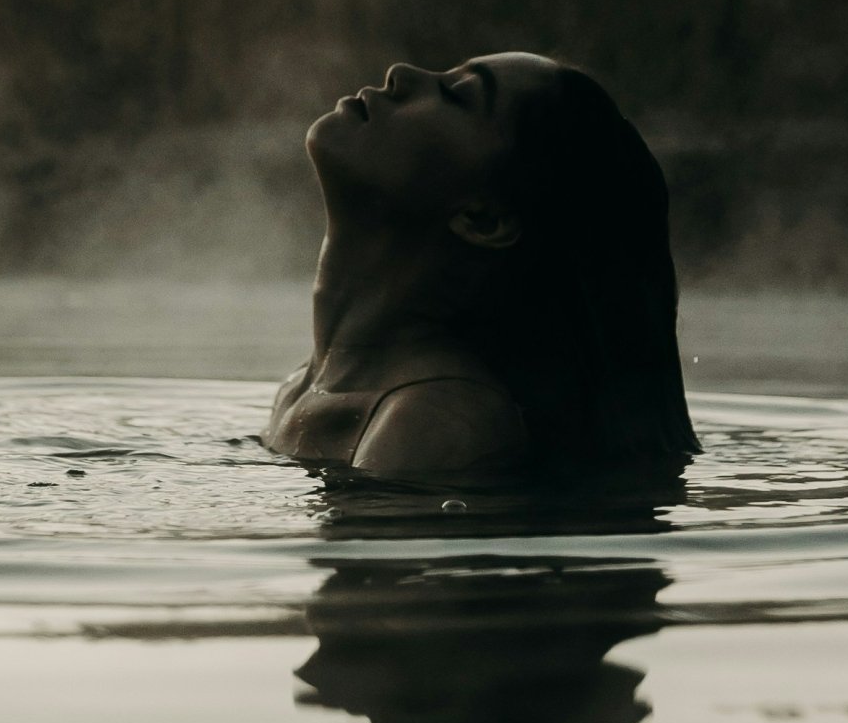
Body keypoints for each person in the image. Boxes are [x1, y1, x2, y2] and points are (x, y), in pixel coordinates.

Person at [262, 52, 699, 485]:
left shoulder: (439, 422)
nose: (402, 73)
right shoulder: (304, 385)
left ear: (482, 219)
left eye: (457, 96)